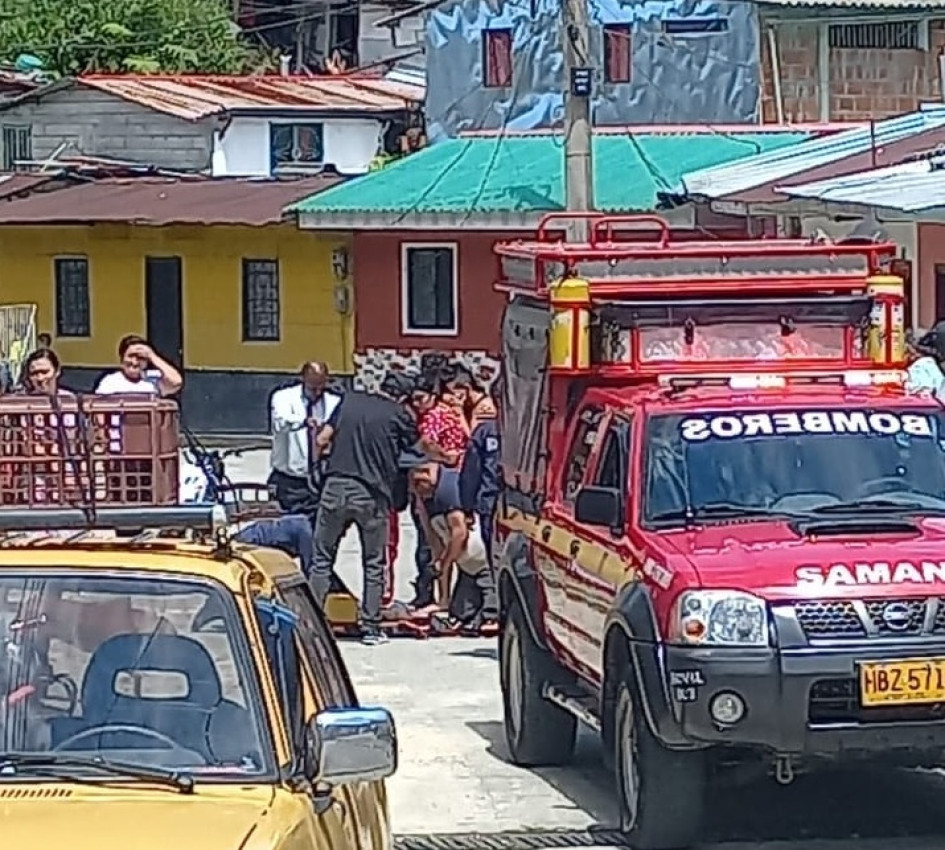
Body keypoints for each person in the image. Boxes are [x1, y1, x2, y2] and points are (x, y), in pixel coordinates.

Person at [308, 377, 424, 646]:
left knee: (322, 559)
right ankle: (371, 627)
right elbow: (419, 449)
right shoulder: (398, 414)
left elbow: (322, 439)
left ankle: (311, 623)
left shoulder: (349, 402)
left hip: (335, 488)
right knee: (373, 563)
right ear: (403, 398)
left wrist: (318, 468)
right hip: (372, 495)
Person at [410, 461, 497, 635]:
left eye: (419, 486)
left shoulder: (448, 490)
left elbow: (460, 532)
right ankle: (470, 614)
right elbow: (435, 541)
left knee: (486, 581)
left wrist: (446, 560)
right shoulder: (428, 496)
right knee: (460, 612)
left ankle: (492, 615)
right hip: (463, 561)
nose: (418, 493)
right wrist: (443, 597)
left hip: (475, 552)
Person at [268, 362, 342, 519]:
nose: (317, 392)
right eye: (312, 388)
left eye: (321, 387)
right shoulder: (284, 397)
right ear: (303, 379)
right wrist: (303, 421)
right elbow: (280, 423)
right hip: (291, 479)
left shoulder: (334, 402)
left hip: (321, 477)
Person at [459, 394, 500, 568]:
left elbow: (471, 472)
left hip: (490, 505)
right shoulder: (530, 431)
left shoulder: (484, 431)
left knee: (494, 559)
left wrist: (467, 508)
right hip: (521, 509)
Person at [95, 334, 183, 396]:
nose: (134, 362)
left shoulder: (153, 380)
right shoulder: (110, 382)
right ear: (122, 359)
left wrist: (153, 356)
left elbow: (176, 382)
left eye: (140, 358)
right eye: (131, 356)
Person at [234, 515, 313, 576]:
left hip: (255, 535)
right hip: (255, 541)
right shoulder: (306, 531)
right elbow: (310, 570)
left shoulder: (303, 524)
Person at [443, 362, 497, 434]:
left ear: (467, 387)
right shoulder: (470, 404)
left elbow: (474, 438)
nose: (453, 397)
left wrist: (460, 415)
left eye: (454, 392)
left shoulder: (485, 408)